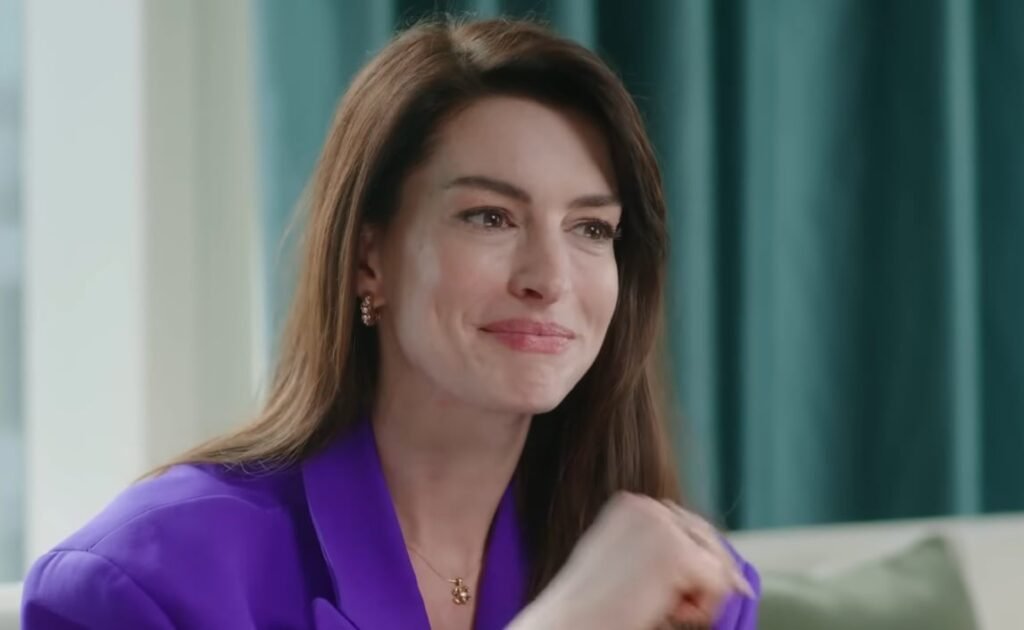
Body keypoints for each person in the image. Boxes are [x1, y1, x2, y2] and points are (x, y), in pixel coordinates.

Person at [21, 17, 758, 630]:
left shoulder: (678, 585)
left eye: (591, 229)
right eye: (490, 217)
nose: (551, 278)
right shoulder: (138, 585)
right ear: (368, 257)